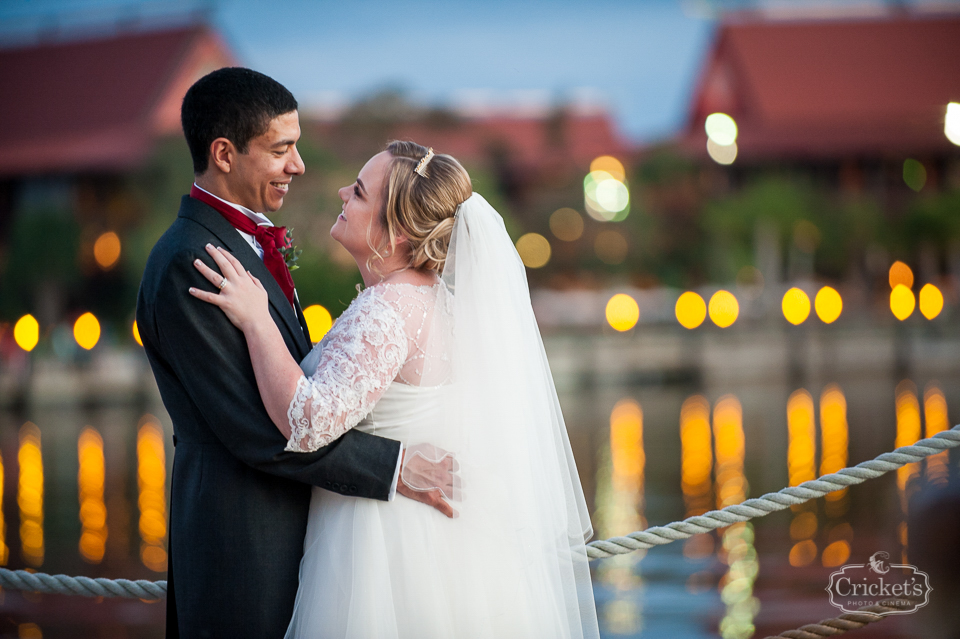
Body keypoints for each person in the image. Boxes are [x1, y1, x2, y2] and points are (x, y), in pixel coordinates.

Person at [189, 140, 600, 638]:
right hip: (441, 545)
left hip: (378, 550)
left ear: (397, 232)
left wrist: (257, 322)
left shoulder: (387, 311)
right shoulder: (443, 304)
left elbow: (307, 421)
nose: (342, 191)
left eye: (359, 192)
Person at [136, 68, 456, 639]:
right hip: (242, 550)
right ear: (225, 154)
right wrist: (394, 467)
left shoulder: (241, 245)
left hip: (306, 541)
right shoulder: (192, 261)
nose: (299, 165)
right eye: (282, 149)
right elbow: (258, 428)